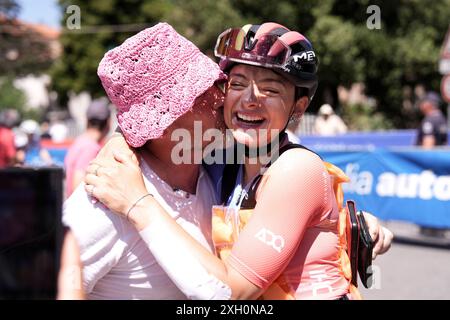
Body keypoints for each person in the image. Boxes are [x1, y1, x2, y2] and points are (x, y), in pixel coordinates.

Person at [83, 22, 393, 300]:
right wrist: (119, 142)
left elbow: (232, 293)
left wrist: (139, 202)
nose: (250, 99)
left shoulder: (296, 169)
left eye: (271, 88)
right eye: (238, 83)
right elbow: (158, 127)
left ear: (298, 107)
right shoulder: (222, 160)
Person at [61, 22, 228, 299]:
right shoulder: (104, 203)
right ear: (161, 124)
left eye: (215, 84)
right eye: (201, 94)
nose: (219, 97)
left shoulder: (212, 171)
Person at [64, 98, 111, 197]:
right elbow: (77, 185)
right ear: (108, 123)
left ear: (87, 120)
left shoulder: (79, 142)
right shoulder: (90, 148)